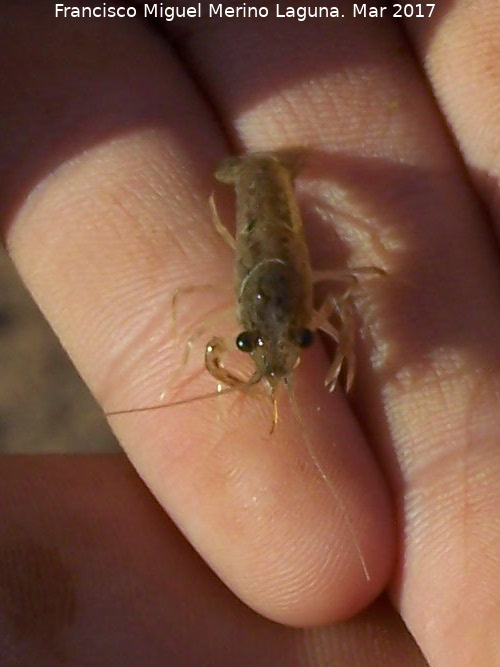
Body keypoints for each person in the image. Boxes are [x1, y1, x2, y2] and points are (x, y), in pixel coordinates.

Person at [1, 4, 498, 665]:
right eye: (247, 343)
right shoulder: (254, 307)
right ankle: (267, 174)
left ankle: (272, 173)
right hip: (261, 222)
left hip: (278, 221)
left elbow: (340, 308)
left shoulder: (306, 305)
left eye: (286, 342)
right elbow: (222, 324)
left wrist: (334, 349)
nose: (264, 347)